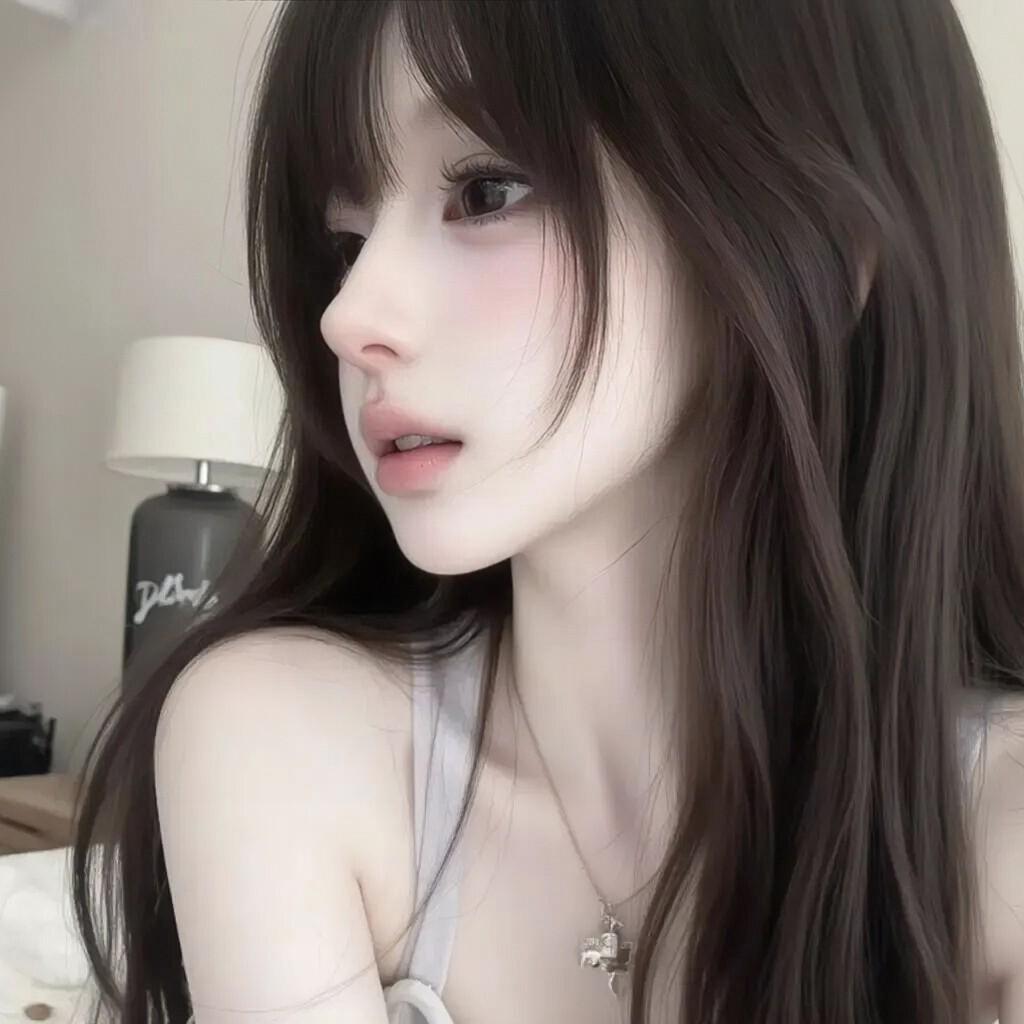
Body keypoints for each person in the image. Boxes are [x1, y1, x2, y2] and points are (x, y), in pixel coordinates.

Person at [71, 1, 1024, 1022]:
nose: (346, 317)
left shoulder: (995, 842)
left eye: (487, 190)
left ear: (822, 248)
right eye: (345, 240)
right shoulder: (280, 736)